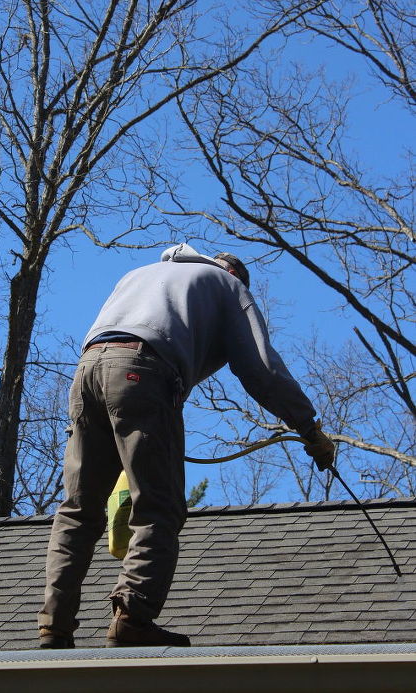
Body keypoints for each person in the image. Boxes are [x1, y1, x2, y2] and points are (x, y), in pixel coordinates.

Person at [39, 243, 335, 649]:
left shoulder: (140, 274)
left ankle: (54, 627)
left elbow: (116, 342)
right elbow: (261, 369)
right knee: (158, 507)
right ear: (236, 276)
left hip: (87, 371)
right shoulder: (227, 285)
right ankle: (133, 617)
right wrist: (309, 429)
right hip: (142, 374)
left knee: (78, 510)